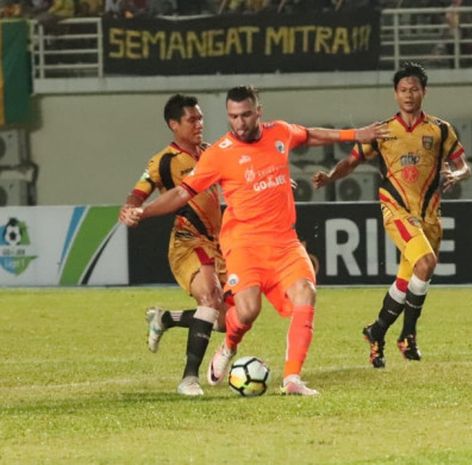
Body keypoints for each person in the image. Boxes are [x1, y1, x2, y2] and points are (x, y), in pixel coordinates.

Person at [120, 85, 388, 395]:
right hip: (242, 243)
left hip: (284, 241)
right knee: (246, 311)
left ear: (258, 111)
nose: (240, 122)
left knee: (306, 293)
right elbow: (182, 192)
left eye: (246, 114)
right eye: (233, 116)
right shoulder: (218, 154)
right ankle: (229, 346)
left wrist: (357, 135)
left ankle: (292, 379)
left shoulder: (280, 132)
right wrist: (145, 211)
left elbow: (311, 135)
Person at [312, 62, 471, 368]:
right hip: (396, 208)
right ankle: (408, 335)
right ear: (395, 94)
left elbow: (463, 164)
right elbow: (352, 161)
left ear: (424, 92)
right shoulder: (382, 131)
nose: (408, 95)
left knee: (406, 282)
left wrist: (458, 175)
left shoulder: (440, 129)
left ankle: (376, 331)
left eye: (414, 89)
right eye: (403, 90)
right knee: (426, 263)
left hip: (429, 215)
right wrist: (331, 177)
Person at [119, 94, 228, 396]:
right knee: (209, 298)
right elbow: (139, 192)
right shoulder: (163, 160)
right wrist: (131, 208)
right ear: (173, 124)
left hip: (219, 244)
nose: (199, 124)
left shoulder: (212, 153)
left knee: (226, 321)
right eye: (192, 119)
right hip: (187, 241)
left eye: (201, 118)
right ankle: (188, 379)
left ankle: (165, 318)